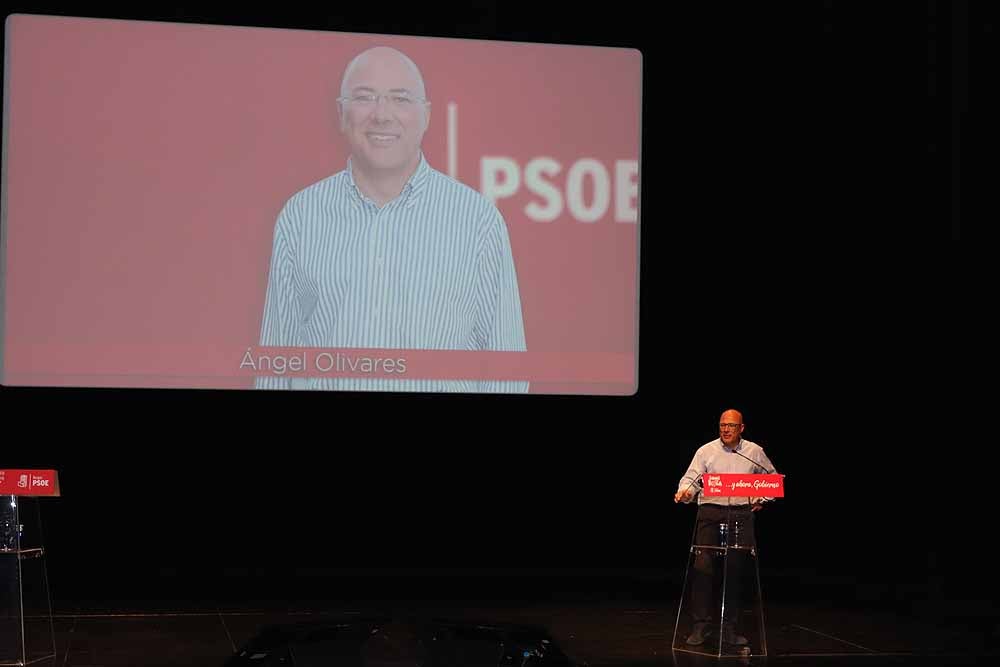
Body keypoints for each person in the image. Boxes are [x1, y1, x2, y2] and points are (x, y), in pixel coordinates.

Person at [255, 46, 528, 393]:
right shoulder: (300, 216)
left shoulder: (478, 221)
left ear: (427, 115)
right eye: (365, 97)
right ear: (341, 113)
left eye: (400, 99)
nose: (382, 115)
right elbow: (275, 363)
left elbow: (508, 371)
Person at [674, 409, 778, 648]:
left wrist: (761, 497)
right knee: (703, 570)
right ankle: (700, 627)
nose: (726, 429)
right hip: (710, 513)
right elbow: (691, 478)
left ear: (741, 428)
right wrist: (686, 492)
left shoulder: (754, 452)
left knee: (734, 572)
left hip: (741, 515)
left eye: (731, 425)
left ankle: (729, 629)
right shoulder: (706, 451)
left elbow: (772, 480)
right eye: (722, 425)